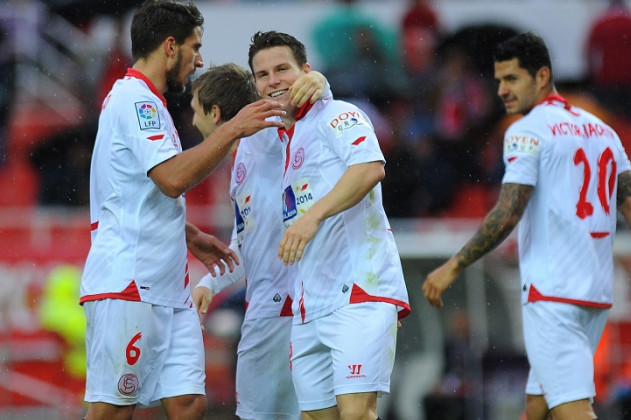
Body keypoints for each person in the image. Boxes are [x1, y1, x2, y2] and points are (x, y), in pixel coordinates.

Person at [422, 32, 631, 420]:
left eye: (512, 79)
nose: (502, 90)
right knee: (538, 407)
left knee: (572, 412)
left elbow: (508, 212)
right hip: (594, 295)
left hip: (552, 295)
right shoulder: (603, 131)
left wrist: (453, 266)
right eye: (498, 80)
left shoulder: (526, 132)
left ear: (542, 76)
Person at [79, 1, 285, 419]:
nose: (200, 59)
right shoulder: (135, 102)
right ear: (170, 47)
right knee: (112, 411)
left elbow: (133, 190)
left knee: (189, 404)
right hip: (130, 282)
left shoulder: (149, 103)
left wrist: (188, 234)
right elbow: (172, 178)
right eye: (195, 47)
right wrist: (233, 128)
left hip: (169, 287)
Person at [248, 30, 411, 420]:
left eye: (282, 69)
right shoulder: (284, 138)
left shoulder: (339, 114)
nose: (273, 80)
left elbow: (370, 168)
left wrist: (312, 218)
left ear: (306, 70)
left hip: (357, 292)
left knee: (357, 414)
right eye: (262, 74)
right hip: (311, 304)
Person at [189, 63, 329, 420]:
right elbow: (248, 239)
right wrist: (211, 280)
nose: (192, 121)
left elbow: (305, 115)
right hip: (267, 306)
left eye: (195, 110)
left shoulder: (269, 138)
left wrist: (320, 83)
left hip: (287, 308)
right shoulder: (240, 157)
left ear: (215, 112)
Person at [584, 0, 631, 123]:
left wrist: (594, 76)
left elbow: (589, 52)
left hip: (607, 81)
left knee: (606, 122)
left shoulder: (601, 23)